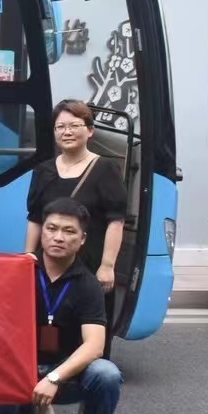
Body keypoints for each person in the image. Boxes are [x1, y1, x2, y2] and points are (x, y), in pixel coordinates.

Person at [0, 199, 123, 414]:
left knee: (107, 374)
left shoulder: (88, 285)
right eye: (51, 228)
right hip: (21, 370)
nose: (58, 237)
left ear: (82, 239)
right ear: (41, 231)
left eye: (69, 231)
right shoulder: (19, 271)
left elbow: (95, 345)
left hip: (66, 374)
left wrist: (54, 378)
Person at [25, 100, 126, 295]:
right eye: (60, 127)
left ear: (90, 131)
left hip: (89, 264)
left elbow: (116, 221)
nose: (67, 132)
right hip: (48, 265)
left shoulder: (106, 169)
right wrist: (28, 256)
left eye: (74, 125)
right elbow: (35, 218)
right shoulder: (43, 170)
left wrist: (107, 266)